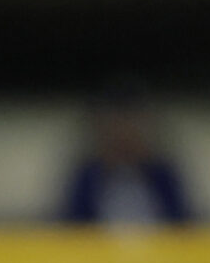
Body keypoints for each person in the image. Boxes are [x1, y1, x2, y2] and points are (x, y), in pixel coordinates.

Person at [59, 95, 190, 225]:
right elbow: (72, 225)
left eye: (131, 128)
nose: (123, 136)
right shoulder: (87, 177)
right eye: (115, 129)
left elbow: (183, 222)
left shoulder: (163, 176)